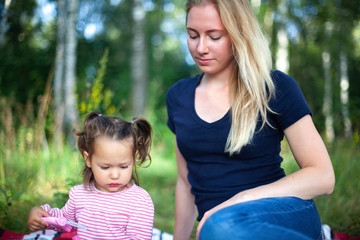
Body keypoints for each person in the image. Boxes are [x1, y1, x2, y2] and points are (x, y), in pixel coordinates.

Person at [165, 0, 335, 239]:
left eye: (214, 37)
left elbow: (323, 176)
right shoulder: (177, 97)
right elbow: (185, 182)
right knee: (220, 229)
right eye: (193, 35)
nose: (200, 47)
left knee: (220, 227)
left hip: (281, 212)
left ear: (238, 34)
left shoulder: (275, 87)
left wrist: (239, 200)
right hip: (220, 229)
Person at [27, 111, 154, 239]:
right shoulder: (80, 194)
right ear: (88, 160)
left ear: (134, 158)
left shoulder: (139, 201)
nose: (115, 175)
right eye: (105, 167)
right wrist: (43, 215)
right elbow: (64, 221)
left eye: (123, 166)